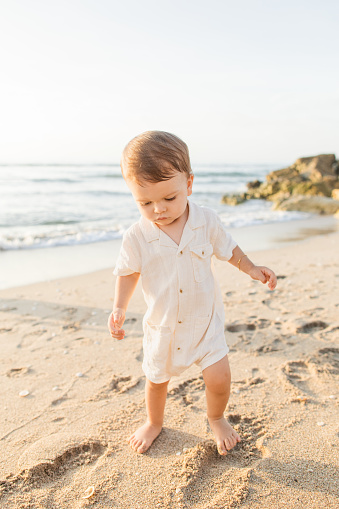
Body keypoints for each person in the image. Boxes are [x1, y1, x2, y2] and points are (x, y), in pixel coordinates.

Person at [108, 131, 277, 455]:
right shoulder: (137, 236)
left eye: (169, 198)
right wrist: (118, 308)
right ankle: (154, 422)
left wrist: (253, 268)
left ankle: (216, 417)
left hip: (204, 323)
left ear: (188, 184)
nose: (158, 209)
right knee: (156, 381)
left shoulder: (205, 221)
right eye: (145, 202)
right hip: (164, 326)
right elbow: (128, 273)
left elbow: (229, 250)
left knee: (219, 377)